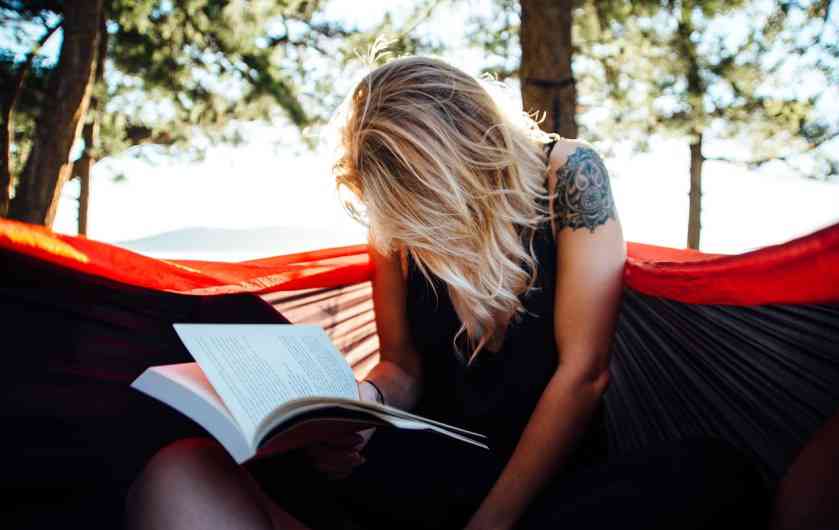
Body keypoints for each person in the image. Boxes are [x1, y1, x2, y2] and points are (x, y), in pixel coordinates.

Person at [125, 55, 770, 530]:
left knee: (713, 476)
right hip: (431, 462)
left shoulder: (569, 175)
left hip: (542, 477)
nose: (408, 230)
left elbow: (583, 376)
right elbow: (402, 365)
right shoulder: (394, 214)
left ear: (469, 157)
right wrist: (358, 408)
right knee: (182, 469)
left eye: (420, 207)